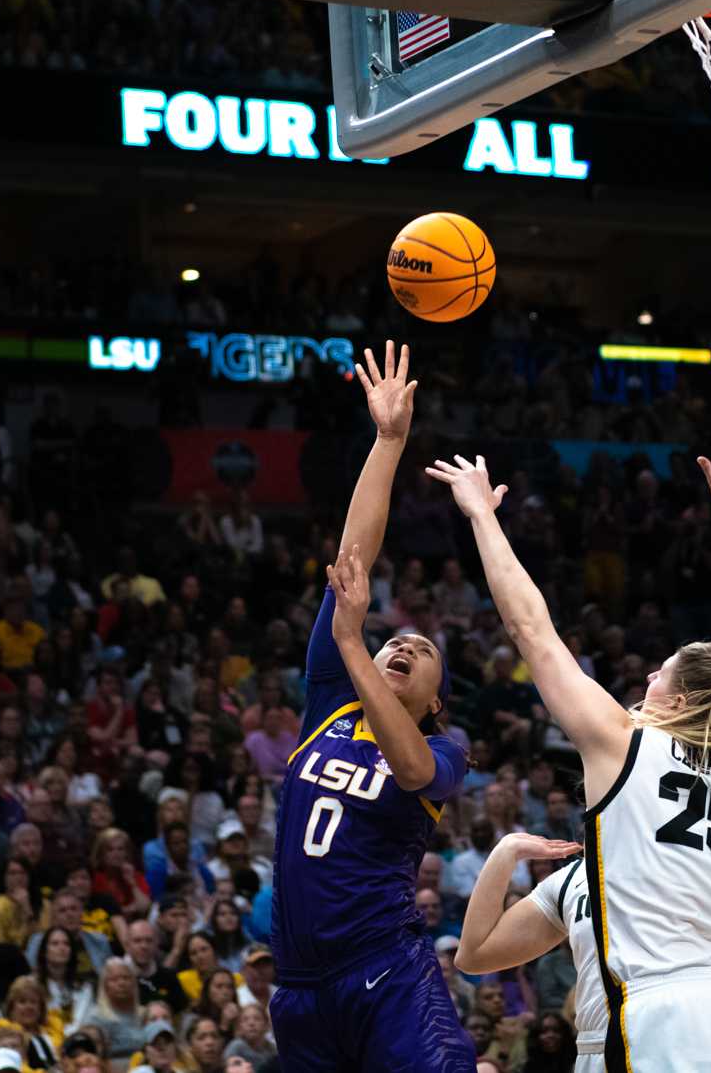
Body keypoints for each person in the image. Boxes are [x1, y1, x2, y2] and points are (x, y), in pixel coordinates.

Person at [428, 423, 711, 1072]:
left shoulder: (621, 743)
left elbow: (532, 629)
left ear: (681, 700)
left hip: (670, 1014)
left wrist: (483, 519)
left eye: (660, 672)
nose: (648, 678)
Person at [267, 345, 473, 1073]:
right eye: (397, 640)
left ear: (435, 699)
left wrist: (358, 644)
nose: (404, 644)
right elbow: (352, 558)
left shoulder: (448, 752)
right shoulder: (330, 699)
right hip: (297, 988)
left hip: (387, 970)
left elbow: (411, 766)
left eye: (421, 649)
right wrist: (389, 441)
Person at [452, 827, 711, 1071]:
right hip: (603, 1042)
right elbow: (474, 955)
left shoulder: (697, 854)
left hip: (697, 1029)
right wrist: (506, 852)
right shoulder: (571, 881)